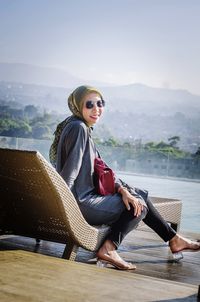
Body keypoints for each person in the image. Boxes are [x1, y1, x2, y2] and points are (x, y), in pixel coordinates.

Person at [49, 85, 200, 270]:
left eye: (100, 103)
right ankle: (109, 248)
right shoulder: (78, 128)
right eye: (89, 104)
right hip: (80, 203)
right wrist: (66, 212)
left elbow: (102, 169)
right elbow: (68, 176)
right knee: (139, 205)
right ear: (78, 106)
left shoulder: (79, 126)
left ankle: (174, 239)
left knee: (137, 195)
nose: (97, 109)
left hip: (84, 198)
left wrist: (124, 191)